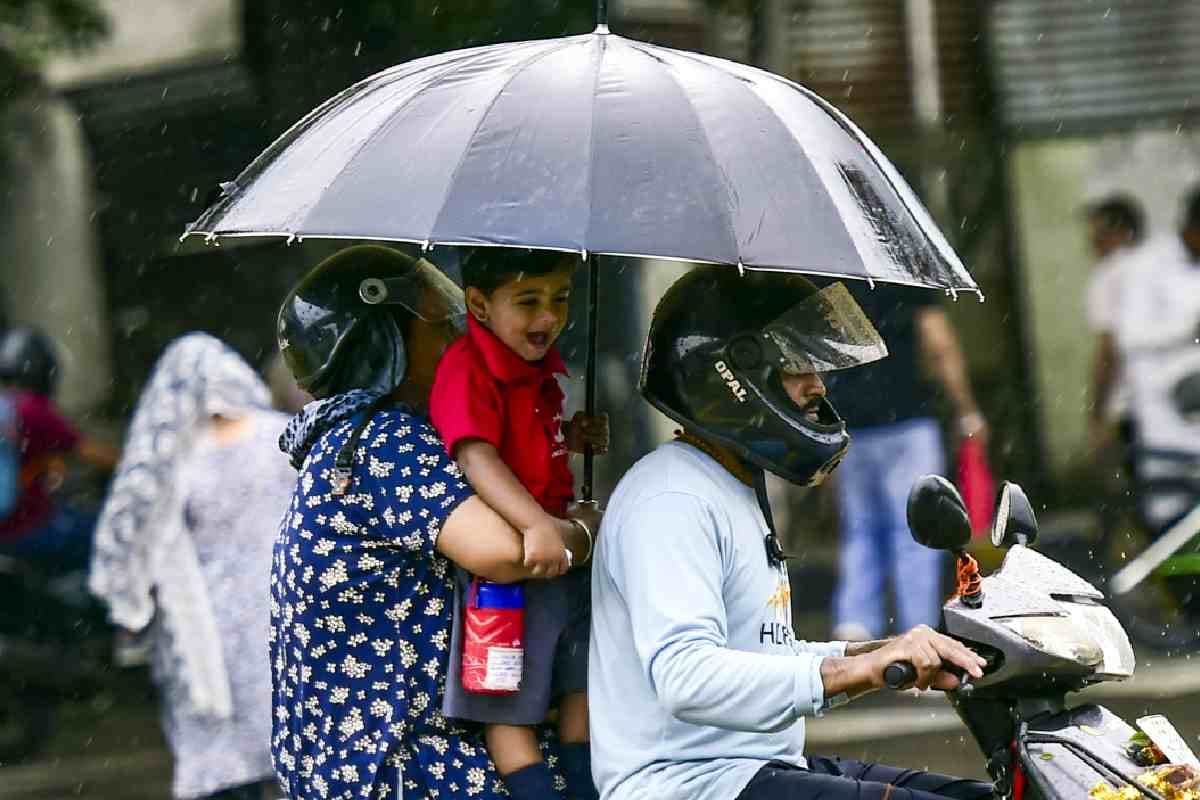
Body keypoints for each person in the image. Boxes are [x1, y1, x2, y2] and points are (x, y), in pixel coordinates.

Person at [589, 266, 989, 800]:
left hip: (756, 766)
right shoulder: (672, 500)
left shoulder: (728, 482)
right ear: (735, 376)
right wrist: (864, 670)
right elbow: (685, 678)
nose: (817, 386)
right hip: (691, 786)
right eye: (799, 365)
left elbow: (763, 653)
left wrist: (880, 652)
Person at [269, 245, 595, 800]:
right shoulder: (379, 441)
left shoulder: (345, 442)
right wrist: (582, 532)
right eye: (437, 323)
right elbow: (504, 554)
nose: (454, 338)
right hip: (408, 764)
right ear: (385, 340)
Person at [429, 248, 607, 800]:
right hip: (509, 579)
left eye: (560, 299)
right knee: (509, 713)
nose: (549, 317)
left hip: (561, 560)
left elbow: (528, 445)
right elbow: (476, 455)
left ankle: (585, 789)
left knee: (582, 689)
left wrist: (571, 439)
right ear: (479, 305)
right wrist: (535, 524)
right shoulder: (468, 366)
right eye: (528, 301)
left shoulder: (540, 368)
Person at [88, 333, 294, 800]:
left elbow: (143, 538)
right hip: (284, 603)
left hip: (210, 619)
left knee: (224, 748)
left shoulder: (174, 460)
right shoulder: (280, 435)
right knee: (291, 724)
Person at [823, 283, 985, 641]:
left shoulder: (825, 275)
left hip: (850, 425)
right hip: (908, 419)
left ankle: (856, 621)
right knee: (914, 529)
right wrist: (967, 410)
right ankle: (918, 628)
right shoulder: (901, 275)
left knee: (859, 527)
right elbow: (938, 342)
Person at [1114, 188, 1200, 530]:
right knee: (1174, 523)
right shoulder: (1146, 266)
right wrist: (1187, 329)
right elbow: (1129, 337)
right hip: (1164, 416)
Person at [0, 325, 117, 571]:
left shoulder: (6, 407)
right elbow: (89, 452)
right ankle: (100, 606)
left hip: (8, 529)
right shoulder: (33, 409)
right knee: (108, 533)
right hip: (25, 528)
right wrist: (132, 462)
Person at [1082, 195, 1145, 453]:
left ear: (1120, 233)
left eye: (1097, 232)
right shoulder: (1162, 266)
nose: (1090, 241)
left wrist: (1097, 412)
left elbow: (1109, 349)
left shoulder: (1108, 275)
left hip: (1133, 403)